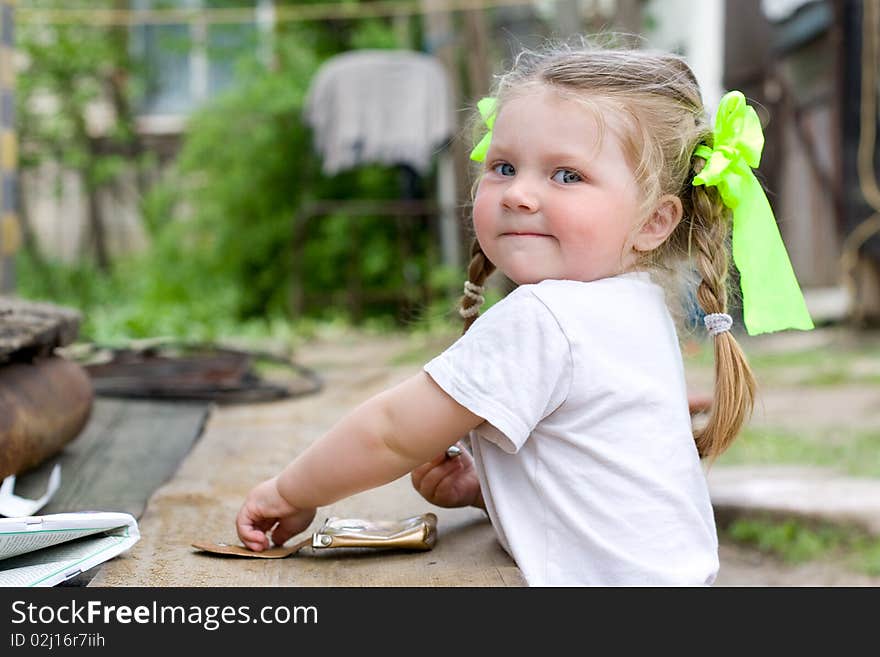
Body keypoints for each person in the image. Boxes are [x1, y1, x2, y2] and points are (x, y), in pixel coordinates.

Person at [236, 43, 813, 585]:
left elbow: (390, 434)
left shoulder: (544, 316)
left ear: (654, 222)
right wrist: (488, 488)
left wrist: (291, 492)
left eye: (567, 175)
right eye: (504, 167)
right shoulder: (635, 306)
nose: (519, 194)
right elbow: (601, 479)